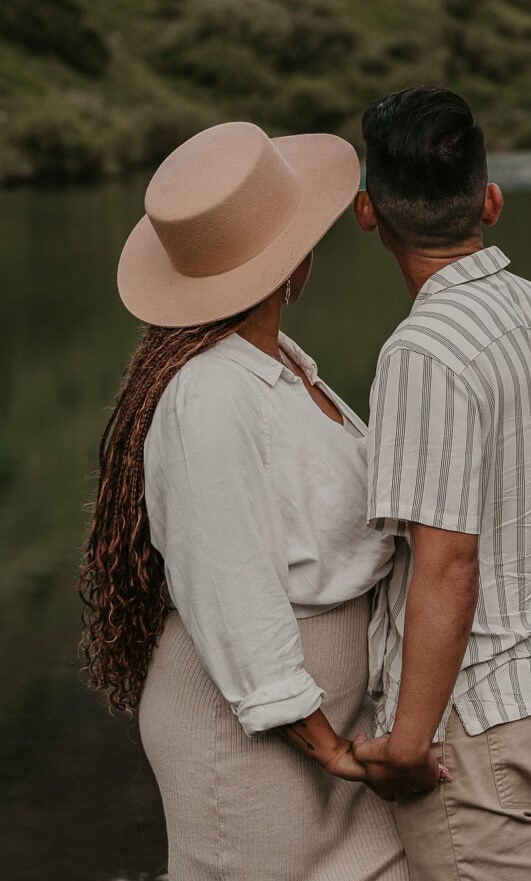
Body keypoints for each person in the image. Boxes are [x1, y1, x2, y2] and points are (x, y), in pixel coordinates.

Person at [79, 122, 409, 881]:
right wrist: (326, 745)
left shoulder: (279, 365)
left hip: (321, 716)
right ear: (291, 266)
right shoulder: (210, 396)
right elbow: (230, 588)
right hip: (258, 732)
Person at [352, 87, 531, 880]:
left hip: (466, 729)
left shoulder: (423, 350)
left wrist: (406, 745)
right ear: (489, 200)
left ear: (365, 213)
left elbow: (446, 562)